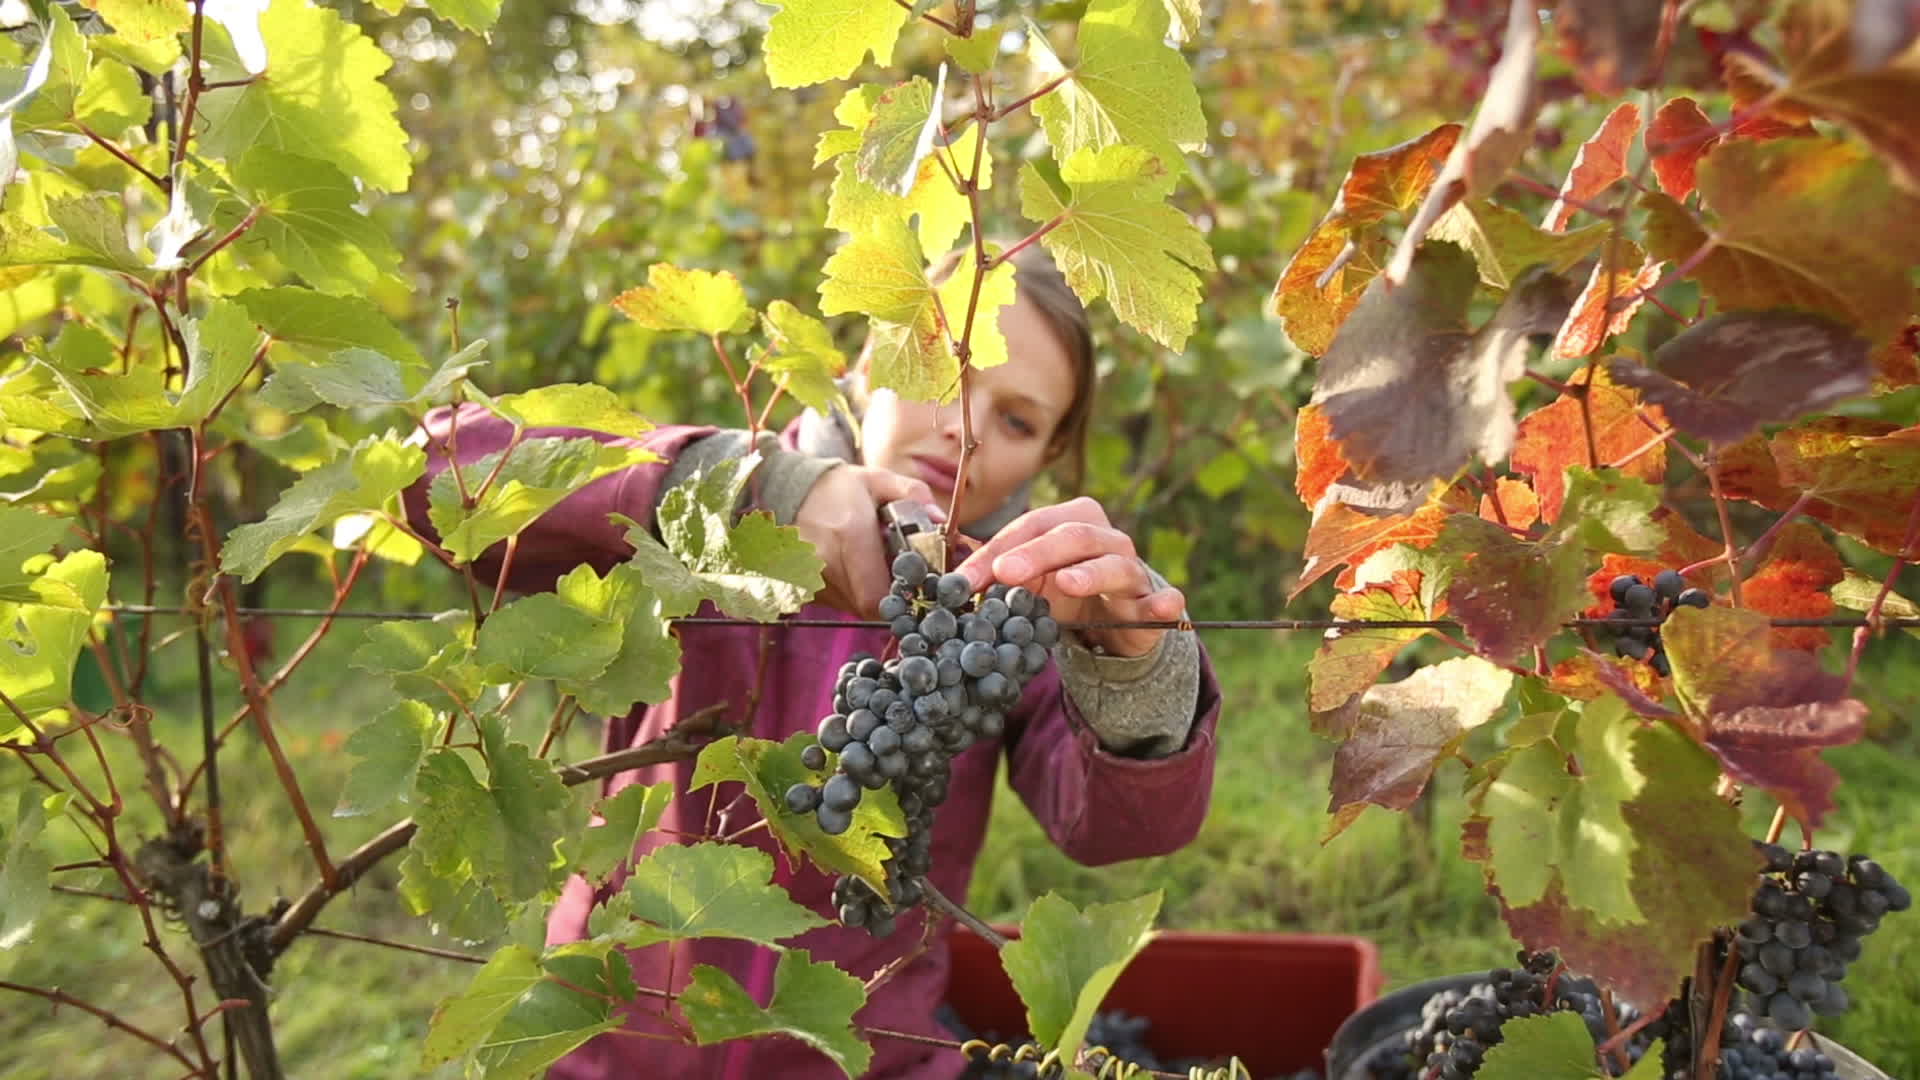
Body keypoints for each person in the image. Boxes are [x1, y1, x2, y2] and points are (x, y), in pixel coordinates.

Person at [400, 246, 1224, 1079]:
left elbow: (1114, 828)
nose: (959, 429)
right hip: (612, 1032)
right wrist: (737, 488)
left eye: (1015, 421)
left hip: (865, 1053)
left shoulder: (1019, 612)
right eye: (939, 368)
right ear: (869, 363)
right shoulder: (713, 499)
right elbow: (433, 472)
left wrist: (1136, 672)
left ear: (1047, 458)